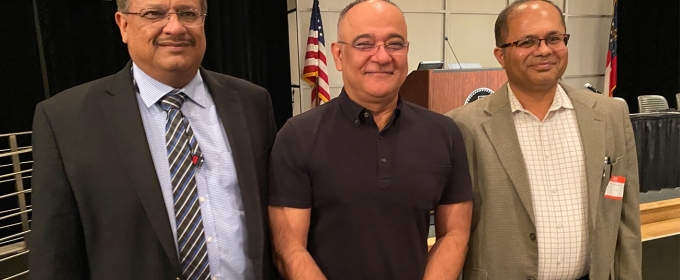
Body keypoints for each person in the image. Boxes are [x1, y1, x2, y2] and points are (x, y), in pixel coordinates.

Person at [28, 0, 278, 279]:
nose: (175, 27)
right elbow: (53, 253)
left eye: (188, 13)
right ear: (123, 25)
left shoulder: (251, 103)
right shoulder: (67, 119)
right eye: (154, 14)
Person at [267, 1, 473, 279]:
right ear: (338, 55)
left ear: (407, 51)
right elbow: (289, 249)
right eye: (364, 44)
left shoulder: (445, 133)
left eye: (395, 44)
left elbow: (455, 234)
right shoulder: (297, 136)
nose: (382, 56)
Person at [446, 0, 641, 279]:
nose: (544, 50)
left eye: (554, 38)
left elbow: (626, 220)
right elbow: (453, 232)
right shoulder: (464, 126)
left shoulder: (610, 115)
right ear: (500, 55)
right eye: (527, 41)